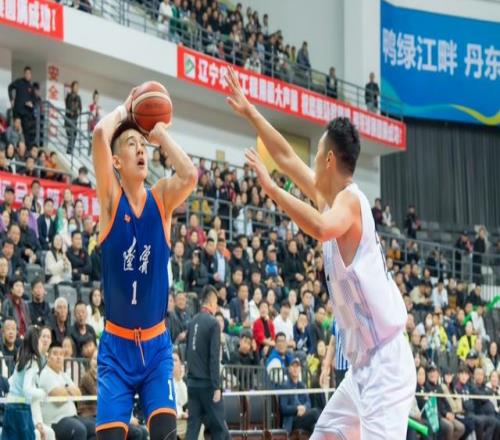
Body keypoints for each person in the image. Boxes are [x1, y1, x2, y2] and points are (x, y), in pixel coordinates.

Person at [225, 67, 415, 439]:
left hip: (386, 367)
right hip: (362, 368)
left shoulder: (351, 202)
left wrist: (273, 190)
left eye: (316, 155)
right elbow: (285, 156)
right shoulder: (330, 199)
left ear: (329, 160)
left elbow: (321, 228)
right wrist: (250, 111)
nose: (310, 161)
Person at [91, 88, 197, 439]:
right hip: (116, 349)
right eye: (131, 144)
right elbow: (100, 134)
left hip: (155, 349)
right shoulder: (111, 201)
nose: (140, 149)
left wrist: (160, 133)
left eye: (142, 145)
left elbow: (190, 175)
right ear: (116, 162)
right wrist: (126, 109)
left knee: (166, 435)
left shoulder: (162, 198)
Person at [185, 285, 229, 440]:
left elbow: (187, 353)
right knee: (220, 430)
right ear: (211, 302)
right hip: (208, 385)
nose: (217, 307)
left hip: (192, 384)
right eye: (216, 303)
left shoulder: (192, 322)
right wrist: (216, 386)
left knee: (192, 430)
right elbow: (214, 358)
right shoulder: (213, 323)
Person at [3, 326, 56, 440]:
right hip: (21, 410)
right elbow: (27, 390)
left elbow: (11, 382)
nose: (43, 343)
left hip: (10, 408)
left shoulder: (22, 360)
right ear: (36, 342)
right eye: (41, 340)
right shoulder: (32, 361)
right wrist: (43, 392)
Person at [39, 341, 96, 440]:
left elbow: (78, 395)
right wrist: (69, 389)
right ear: (48, 357)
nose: (59, 357)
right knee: (79, 430)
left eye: (61, 354)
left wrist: (64, 390)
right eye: (55, 354)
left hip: (72, 416)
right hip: (56, 420)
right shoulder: (45, 374)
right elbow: (59, 400)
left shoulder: (63, 374)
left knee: (94, 427)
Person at [279, 358, 320, 435]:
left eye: (297, 366)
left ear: (300, 369)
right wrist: (297, 409)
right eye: (293, 366)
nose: (295, 369)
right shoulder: (285, 386)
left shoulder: (302, 385)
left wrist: (304, 408)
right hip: (292, 420)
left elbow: (308, 403)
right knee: (315, 413)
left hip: (303, 416)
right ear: (289, 369)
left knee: (315, 427)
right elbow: (283, 408)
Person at [321, 320, 349, 389]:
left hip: (355, 370)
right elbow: (332, 344)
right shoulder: (336, 320)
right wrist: (325, 368)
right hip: (339, 371)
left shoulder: (358, 315)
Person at [65, 81, 82, 154]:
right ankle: (69, 152)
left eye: (77, 86)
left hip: (75, 120)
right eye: (75, 86)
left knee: (74, 136)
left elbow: (80, 108)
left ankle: (70, 152)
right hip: (68, 120)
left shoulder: (78, 97)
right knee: (71, 136)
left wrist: (78, 110)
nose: (76, 88)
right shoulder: (69, 96)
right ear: (72, 87)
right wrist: (75, 110)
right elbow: (69, 106)